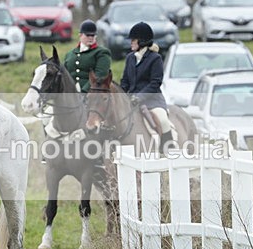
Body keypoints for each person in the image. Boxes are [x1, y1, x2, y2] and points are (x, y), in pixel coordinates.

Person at [119, 21, 174, 152]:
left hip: (152, 101)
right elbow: (125, 81)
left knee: (163, 121)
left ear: (142, 41)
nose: (131, 42)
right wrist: (121, 96)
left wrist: (139, 97)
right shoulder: (130, 58)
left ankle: (169, 150)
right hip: (131, 101)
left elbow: (155, 83)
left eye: (133, 40)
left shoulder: (155, 58)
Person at [64, 19, 112, 93]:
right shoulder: (70, 54)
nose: (91, 37)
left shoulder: (102, 52)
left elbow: (100, 75)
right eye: (88, 35)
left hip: (91, 93)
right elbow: (64, 75)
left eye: (93, 35)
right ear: (80, 35)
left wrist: (84, 91)